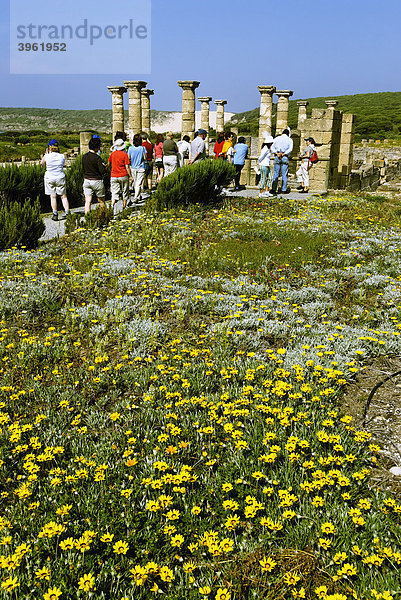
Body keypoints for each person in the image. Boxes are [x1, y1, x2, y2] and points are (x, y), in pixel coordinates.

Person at [41, 139, 70, 221]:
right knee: (63, 196)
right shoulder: (61, 156)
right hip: (60, 176)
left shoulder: (47, 156)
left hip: (50, 177)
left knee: (53, 196)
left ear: (49, 147)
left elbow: (42, 164)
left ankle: (55, 213)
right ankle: (67, 212)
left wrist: (46, 154)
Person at [82, 137, 107, 214]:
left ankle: (87, 216)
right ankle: (104, 215)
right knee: (101, 201)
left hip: (87, 180)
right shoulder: (97, 158)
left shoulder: (84, 156)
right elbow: (102, 171)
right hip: (96, 180)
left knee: (88, 201)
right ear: (97, 147)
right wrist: (104, 166)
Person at [108, 138, 132, 213]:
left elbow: (109, 163)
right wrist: (130, 176)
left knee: (114, 192)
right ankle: (124, 206)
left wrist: (111, 169)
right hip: (123, 175)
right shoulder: (125, 155)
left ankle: (112, 205)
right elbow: (127, 167)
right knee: (125, 191)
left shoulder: (112, 154)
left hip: (114, 175)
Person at [270, 128, 293, 195]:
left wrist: (276, 153)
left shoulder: (276, 138)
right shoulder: (289, 140)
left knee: (276, 174)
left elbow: (272, 147)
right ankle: (284, 189)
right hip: (284, 156)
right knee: (284, 174)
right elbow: (290, 149)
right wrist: (284, 153)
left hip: (277, 156)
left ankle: (274, 189)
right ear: (288, 134)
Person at [128, 133, 147, 204]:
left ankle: (138, 196)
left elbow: (129, 158)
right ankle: (136, 197)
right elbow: (145, 158)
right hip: (141, 167)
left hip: (133, 167)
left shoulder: (130, 148)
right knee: (139, 183)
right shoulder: (142, 148)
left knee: (136, 183)